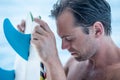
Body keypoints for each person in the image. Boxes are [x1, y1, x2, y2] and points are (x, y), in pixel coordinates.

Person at [18, 0, 120, 80]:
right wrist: (36, 48)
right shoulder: (74, 64)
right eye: (62, 39)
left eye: (69, 38)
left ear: (97, 30)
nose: (63, 47)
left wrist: (52, 59)